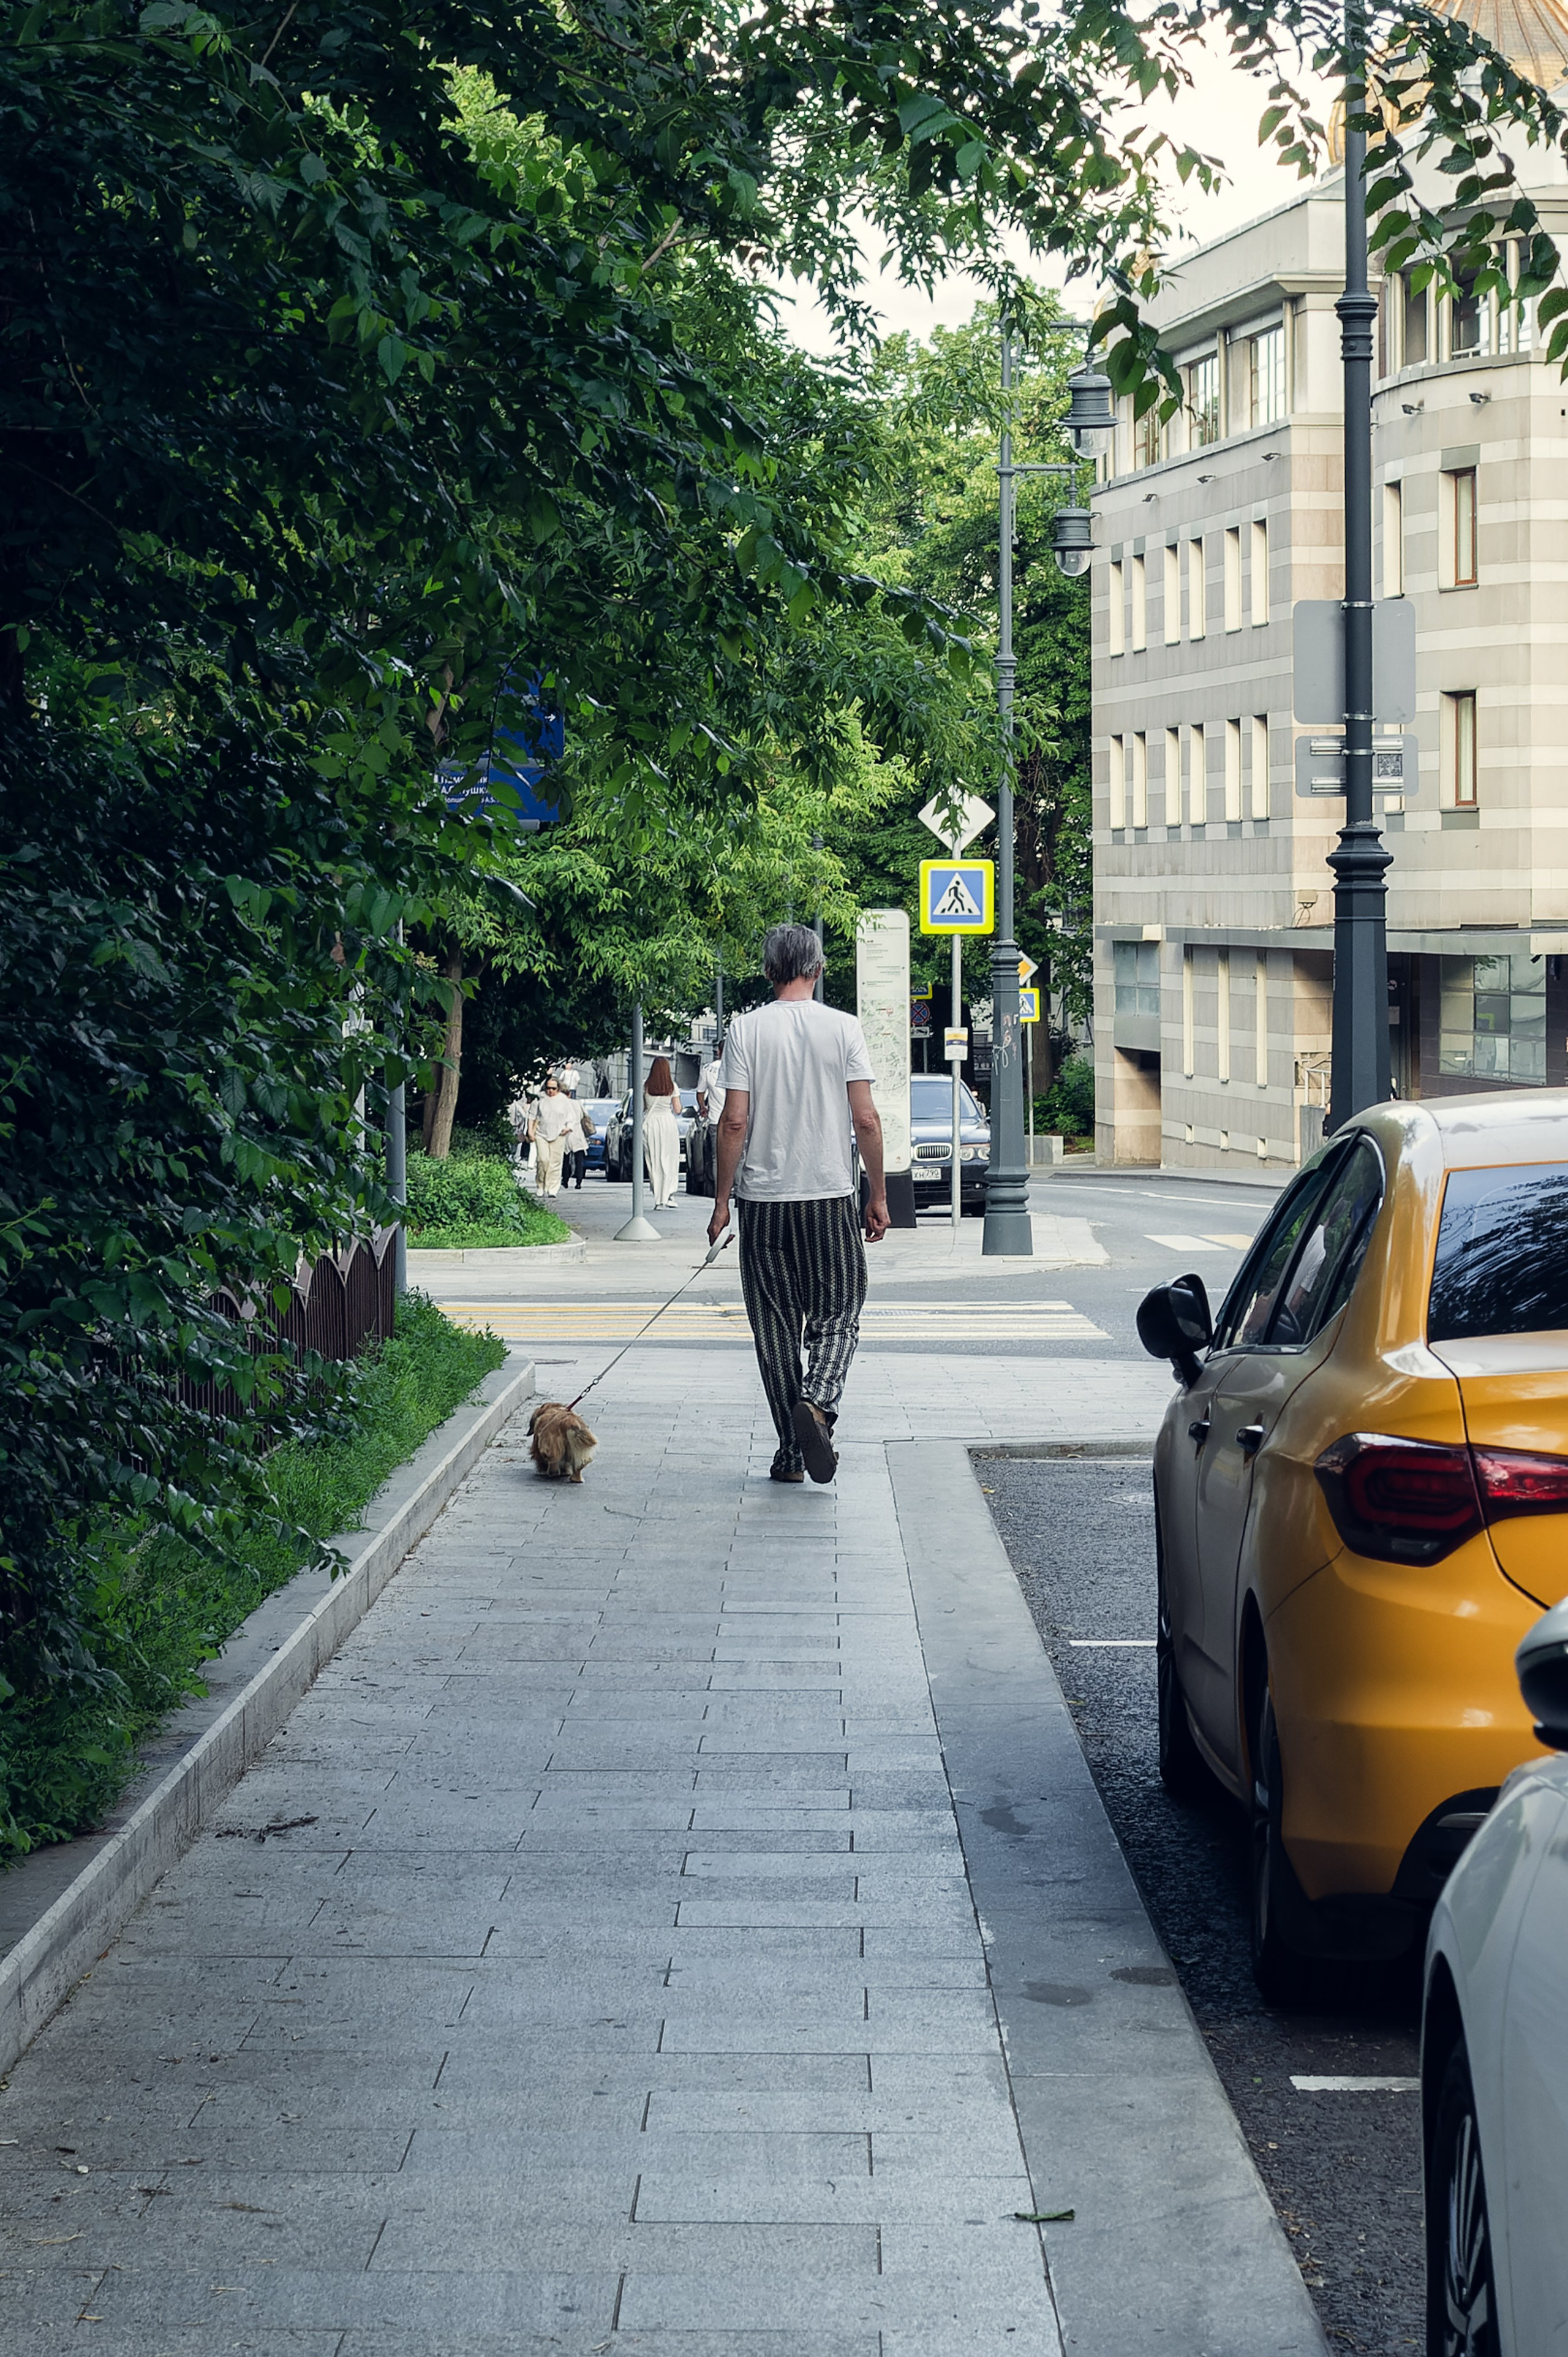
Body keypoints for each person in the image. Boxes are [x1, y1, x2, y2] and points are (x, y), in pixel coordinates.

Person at [708, 923, 888, 1485]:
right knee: (839, 1311)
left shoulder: (745, 1029)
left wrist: (721, 1201)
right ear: (818, 968)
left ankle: (791, 1453)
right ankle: (819, 1399)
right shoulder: (844, 1027)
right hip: (829, 1195)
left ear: (769, 971)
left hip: (762, 1203)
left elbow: (733, 1121)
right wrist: (878, 1193)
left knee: (775, 1330)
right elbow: (866, 1119)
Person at [642, 1054, 682, 1209]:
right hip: (667, 1124)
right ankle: (669, 1194)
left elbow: (642, 1108)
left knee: (654, 1161)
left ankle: (658, 1198)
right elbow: (678, 1110)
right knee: (670, 1160)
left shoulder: (645, 1086)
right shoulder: (672, 1086)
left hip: (651, 1124)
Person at [528, 1073, 573, 1197]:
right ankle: (541, 1185)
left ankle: (552, 1188)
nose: (551, 1091)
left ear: (558, 1088)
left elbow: (570, 1117)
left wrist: (568, 1128)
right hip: (541, 1133)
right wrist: (530, 1131)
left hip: (559, 1134)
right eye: (548, 1088)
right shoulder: (539, 1098)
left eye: (554, 1088)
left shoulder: (563, 1100)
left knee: (555, 1162)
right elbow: (532, 1116)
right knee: (543, 1160)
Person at [692, 1035, 726, 1197]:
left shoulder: (708, 1069)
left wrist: (703, 1107)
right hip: (738, 1119)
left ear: (719, 1051)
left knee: (716, 1157)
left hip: (716, 1119)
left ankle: (720, 1191)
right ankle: (738, 1188)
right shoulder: (742, 1067)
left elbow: (700, 1093)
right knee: (740, 1156)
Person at [562, 1095, 592, 1190]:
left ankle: (565, 1180)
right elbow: (585, 1114)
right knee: (579, 1159)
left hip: (565, 1132)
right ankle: (579, 1181)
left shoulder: (561, 1104)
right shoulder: (578, 1103)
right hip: (578, 1132)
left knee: (565, 1158)